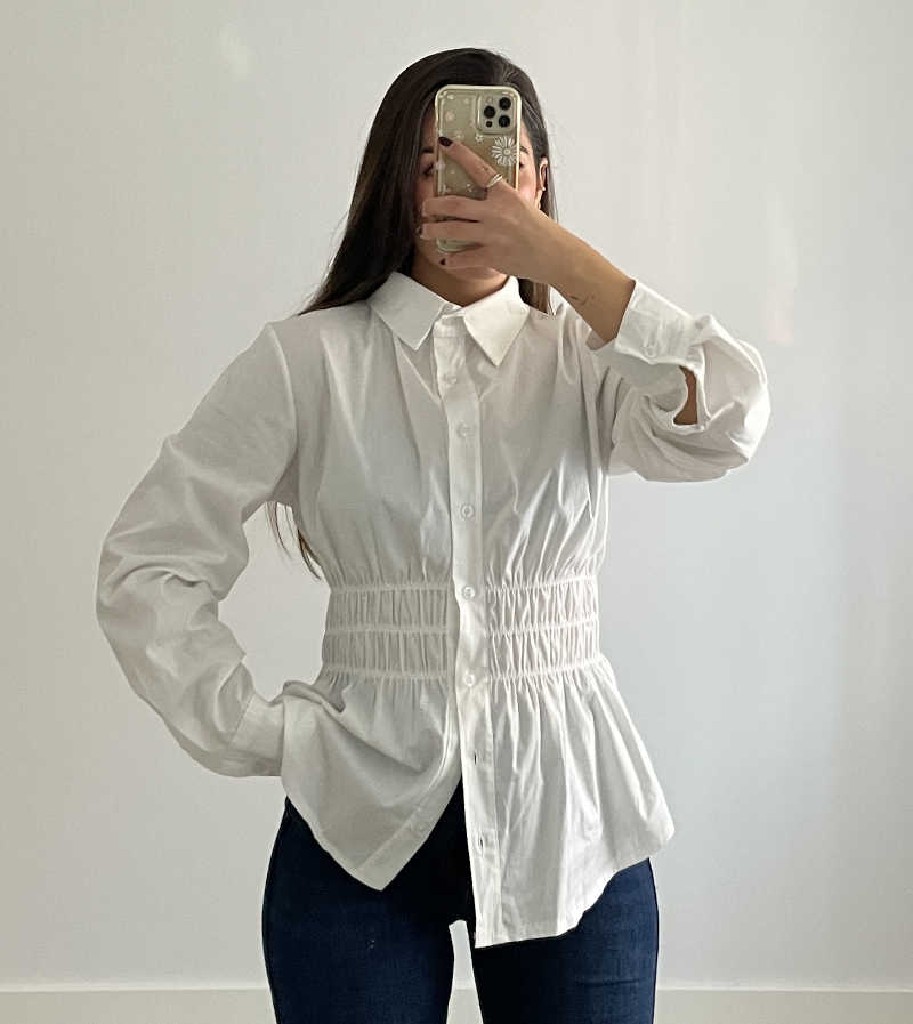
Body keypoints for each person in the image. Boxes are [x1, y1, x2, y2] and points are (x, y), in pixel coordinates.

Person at [95, 46, 771, 1024]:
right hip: (357, 816)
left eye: (501, 163)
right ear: (394, 187)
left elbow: (729, 421)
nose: (473, 186)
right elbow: (149, 562)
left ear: (538, 182)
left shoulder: (588, 362)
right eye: (434, 164)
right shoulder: (306, 363)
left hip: (568, 814)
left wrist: (564, 263)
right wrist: (253, 730)